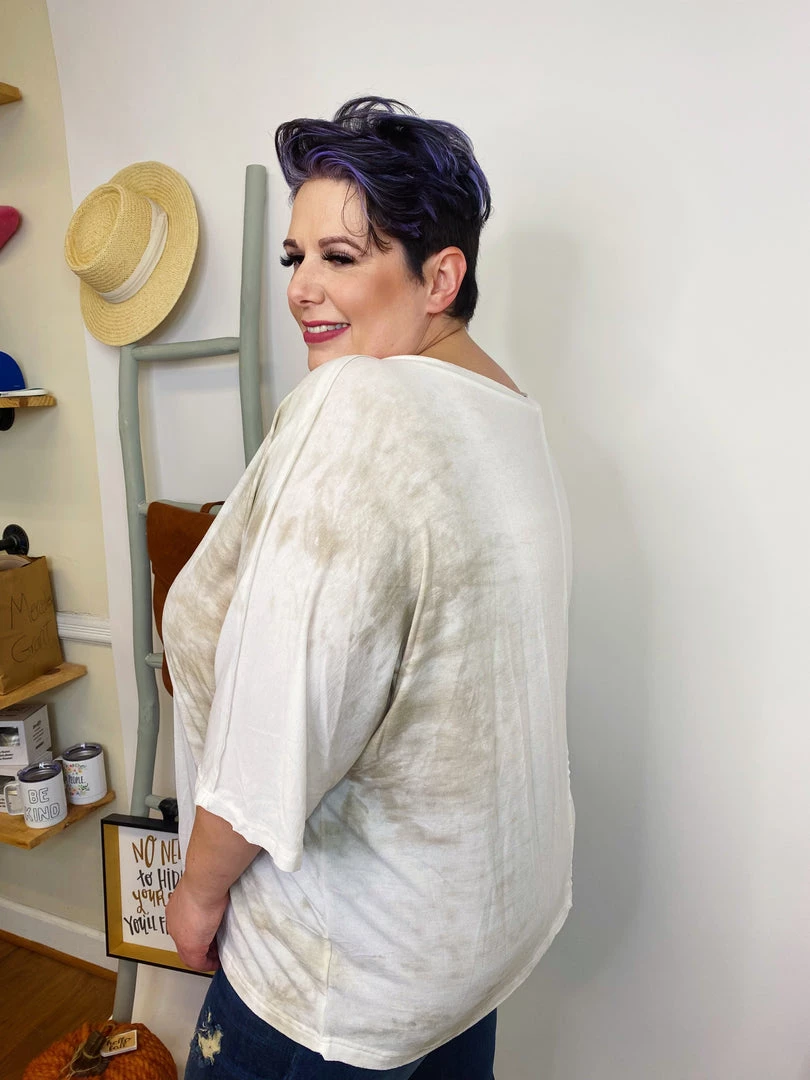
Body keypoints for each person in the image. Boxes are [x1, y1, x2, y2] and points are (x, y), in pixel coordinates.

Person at [164, 96, 575, 1079]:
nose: (302, 288)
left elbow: (282, 715)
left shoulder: (357, 402)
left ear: (441, 277)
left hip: (337, 974)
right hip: (459, 953)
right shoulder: (511, 416)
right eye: (294, 257)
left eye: (341, 257)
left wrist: (200, 891)